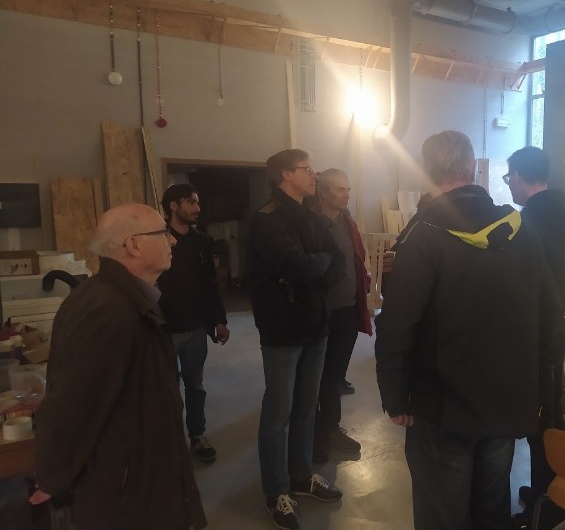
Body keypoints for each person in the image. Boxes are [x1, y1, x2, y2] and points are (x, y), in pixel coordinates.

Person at [375, 131, 562, 530]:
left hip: (443, 407)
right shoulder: (521, 230)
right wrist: (534, 388)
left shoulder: (423, 234)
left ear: (426, 170)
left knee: (442, 516)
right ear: (473, 167)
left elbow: (397, 323)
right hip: (505, 404)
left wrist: (395, 396)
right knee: (491, 511)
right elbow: (550, 315)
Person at [31, 203, 207, 530]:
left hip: (137, 480)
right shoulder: (109, 310)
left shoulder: (124, 298)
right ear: (133, 244)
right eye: (163, 233)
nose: (173, 240)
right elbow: (71, 404)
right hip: (125, 496)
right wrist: (53, 477)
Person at [248, 149, 345, 529]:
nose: (314, 175)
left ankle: (301, 476)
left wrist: (313, 268)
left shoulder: (313, 218)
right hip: (283, 331)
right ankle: (276, 491)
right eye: (307, 169)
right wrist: (314, 266)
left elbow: (336, 262)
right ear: (286, 175)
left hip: (316, 326)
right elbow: (297, 266)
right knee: (279, 412)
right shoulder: (265, 220)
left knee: (306, 407)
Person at [504, 146, 565, 527]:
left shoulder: (530, 222)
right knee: (550, 412)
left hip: (543, 328)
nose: (509, 185)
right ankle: (545, 491)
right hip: (562, 322)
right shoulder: (563, 211)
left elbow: (526, 282)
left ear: (520, 176)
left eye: (510, 178)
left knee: (543, 422)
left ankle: (547, 507)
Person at [157, 183, 230, 463]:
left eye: (197, 202)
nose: (197, 208)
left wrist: (219, 320)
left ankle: (197, 435)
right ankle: (170, 441)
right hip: (165, 330)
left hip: (196, 328)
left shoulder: (202, 242)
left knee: (195, 385)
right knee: (165, 388)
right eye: (190, 202)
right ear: (173, 206)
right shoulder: (159, 241)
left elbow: (210, 285)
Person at [312, 168, 372, 462]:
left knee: (334, 375)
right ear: (323, 192)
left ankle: (330, 428)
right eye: (340, 189)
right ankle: (314, 433)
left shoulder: (347, 221)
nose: (347, 195)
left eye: (348, 189)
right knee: (314, 376)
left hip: (346, 309)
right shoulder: (310, 224)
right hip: (319, 312)